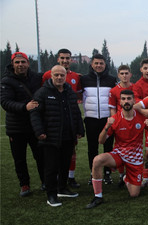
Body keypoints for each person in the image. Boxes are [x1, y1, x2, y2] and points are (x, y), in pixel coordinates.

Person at [86, 90, 148, 209]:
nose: (126, 101)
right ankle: (98, 196)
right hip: (119, 154)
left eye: (129, 99)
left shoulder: (141, 117)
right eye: (123, 99)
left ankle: (125, 177)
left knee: (134, 194)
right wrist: (107, 127)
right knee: (97, 160)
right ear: (120, 102)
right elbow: (101, 141)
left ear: (134, 101)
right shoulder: (115, 118)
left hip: (136, 157)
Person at [30, 65, 85, 207]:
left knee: (65, 164)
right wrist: (39, 131)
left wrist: (80, 129)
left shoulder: (69, 92)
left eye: (62, 75)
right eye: (56, 75)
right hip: (50, 137)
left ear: (66, 76)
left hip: (68, 136)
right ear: (51, 76)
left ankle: (62, 188)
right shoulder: (42, 92)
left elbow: (76, 112)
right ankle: (51, 195)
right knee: (51, 167)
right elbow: (35, 114)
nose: (59, 77)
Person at [1, 52, 45, 197]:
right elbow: (5, 102)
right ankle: (24, 184)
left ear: (28, 63)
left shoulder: (36, 77)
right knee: (19, 158)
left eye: (23, 62)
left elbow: (50, 75)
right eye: (17, 62)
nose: (20, 65)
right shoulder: (6, 81)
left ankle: (45, 181)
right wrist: (24, 107)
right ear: (13, 64)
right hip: (16, 127)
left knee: (40, 155)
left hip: (35, 125)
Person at [42, 48, 82, 188]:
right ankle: (54, 181)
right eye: (62, 58)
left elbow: (78, 97)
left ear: (71, 60)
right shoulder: (47, 74)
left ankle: (69, 178)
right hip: (53, 120)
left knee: (71, 150)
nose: (65, 61)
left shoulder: (76, 76)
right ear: (58, 59)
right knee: (53, 154)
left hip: (69, 119)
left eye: (67, 58)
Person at [81, 54, 117, 185]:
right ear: (92, 64)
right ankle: (94, 174)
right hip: (91, 119)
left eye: (101, 63)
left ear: (105, 65)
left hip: (107, 119)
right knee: (92, 148)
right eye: (96, 63)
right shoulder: (84, 79)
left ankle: (107, 174)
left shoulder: (112, 80)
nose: (98, 65)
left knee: (108, 147)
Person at [108, 65, 135, 187]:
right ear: (118, 75)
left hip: (134, 122)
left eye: (126, 73)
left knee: (134, 147)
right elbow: (113, 108)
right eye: (122, 73)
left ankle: (132, 173)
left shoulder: (135, 88)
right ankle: (121, 175)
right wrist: (115, 122)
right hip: (120, 122)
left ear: (130, 74)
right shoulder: (113, 91)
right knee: (120, 147)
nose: (124, 76)